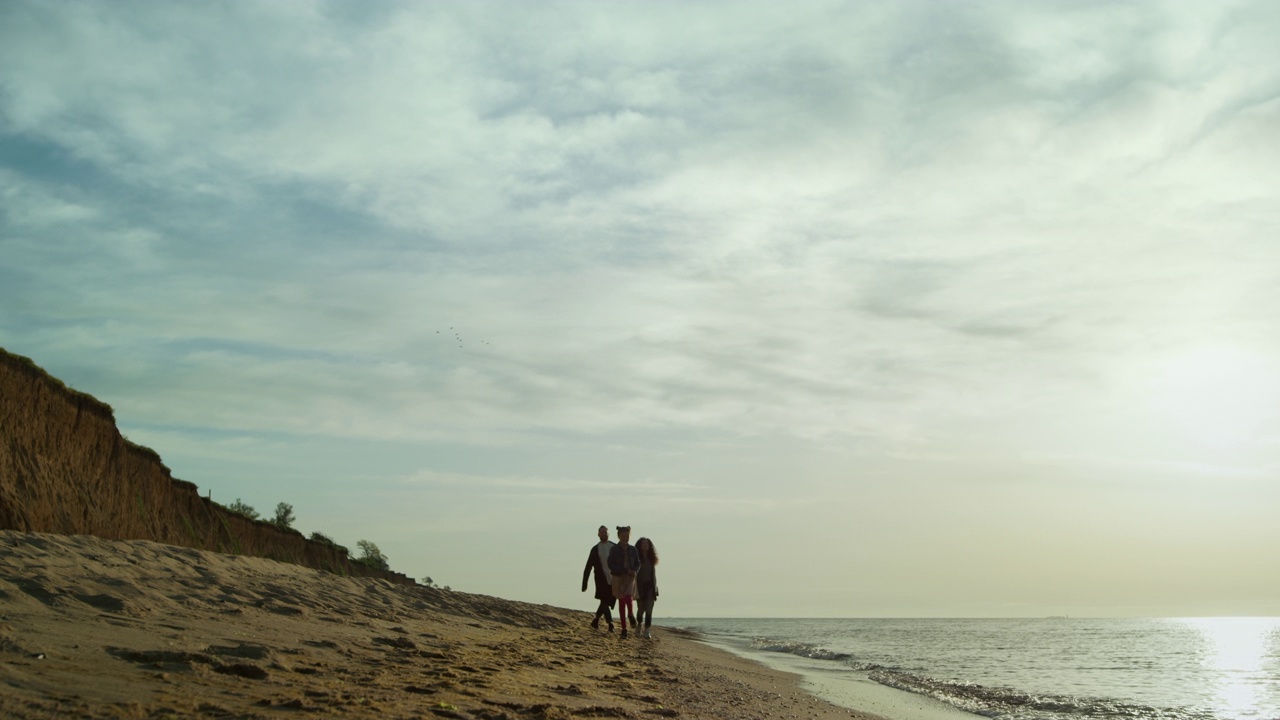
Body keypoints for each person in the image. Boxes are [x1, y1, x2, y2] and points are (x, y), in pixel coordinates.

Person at [607, 525, 640, 639]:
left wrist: (635, 570)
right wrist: (622, 570)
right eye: (623, 536)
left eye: (627, 536)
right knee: (621, 602)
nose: (625, 538)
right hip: (618, 576)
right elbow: (610, 564)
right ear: (619, 536)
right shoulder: (614, 549)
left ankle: (630, 614)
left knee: (628, 596)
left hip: (630, 576)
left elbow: (637, 563)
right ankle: (624, 629)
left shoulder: (633, 549)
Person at [581, 525, 616, 631]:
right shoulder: (595, 549)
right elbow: (588, 566)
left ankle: (595, 620)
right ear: (598, 534)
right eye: (601, 533)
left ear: (608, 534)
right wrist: (584, 583)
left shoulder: (614, 547)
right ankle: (610, 623)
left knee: (606, 602)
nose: (603, 534)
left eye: (605, 532)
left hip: (614, 579)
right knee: (604, 599)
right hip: (601, 579)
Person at [634, 536, 659, 639]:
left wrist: (655, 588)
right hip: (640, 587)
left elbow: (653, 575)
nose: (645, 545)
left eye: (647, 544)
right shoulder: (637, 558)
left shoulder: (651, 559)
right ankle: (639, 625)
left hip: (650, 587)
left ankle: (647, 629)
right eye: (643, 543)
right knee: (640, 609)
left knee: (649, 609)